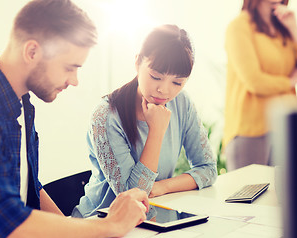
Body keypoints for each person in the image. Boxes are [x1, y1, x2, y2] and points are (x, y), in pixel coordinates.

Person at [0, 0, 149, 238]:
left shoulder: (21, 103)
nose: (75, 80)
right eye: (70, 67)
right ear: (32, 51)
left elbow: (28, 186)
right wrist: (110, 225)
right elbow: (7, 220)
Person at [73, 24, 218, 218]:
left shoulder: (182, 103)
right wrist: (156, 131)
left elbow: (208, 168)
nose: (164, 90)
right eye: (156, 77)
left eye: (177, 82)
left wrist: (163, 187)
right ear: (137, 63)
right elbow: (134, 196)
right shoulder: (106, 115)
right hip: (102, 222)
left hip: (157, 216)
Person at [223, 0, 297, 171]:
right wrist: (289, 82)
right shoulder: (239, 27)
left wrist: (294, 29)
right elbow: (254, 81)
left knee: (282, 196)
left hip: (285, 128)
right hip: (250, 130)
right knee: (249, 194)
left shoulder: (284, 27)